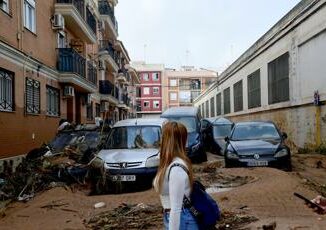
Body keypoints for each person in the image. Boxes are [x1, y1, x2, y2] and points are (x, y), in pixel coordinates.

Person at [154, 121, 199, 230]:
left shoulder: (176, 168)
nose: (160, 140)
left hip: (181, 220)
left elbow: (176, 208)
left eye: (163, 136)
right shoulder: (169, 163)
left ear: (167, 140)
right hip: (176, 218)